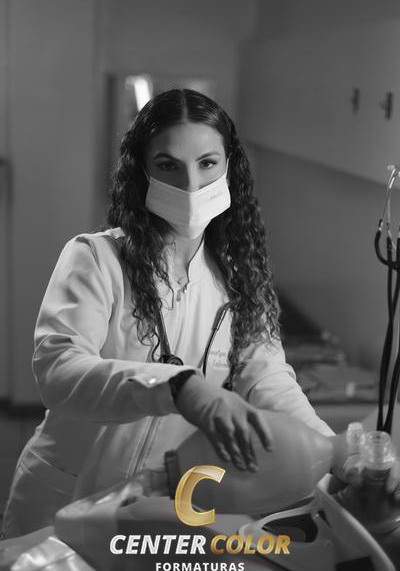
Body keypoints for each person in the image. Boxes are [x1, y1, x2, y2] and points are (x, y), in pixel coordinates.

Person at [2, 88, 335, 538]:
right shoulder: (96, 258)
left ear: (230, 167)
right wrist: (180, 388)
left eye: (207, 163)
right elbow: (59, 370)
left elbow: (268, 380)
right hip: (63, 498)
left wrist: (335, 452)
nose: (191, 185)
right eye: (168, 165)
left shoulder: (239, 279)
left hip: (155, 510)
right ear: (142, 171)